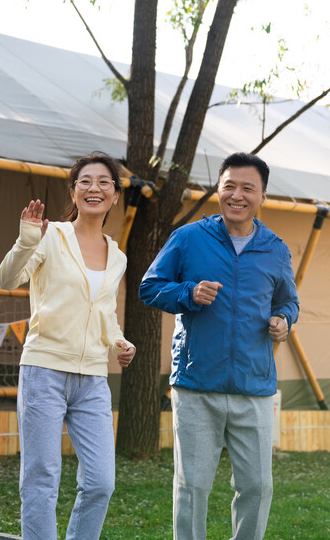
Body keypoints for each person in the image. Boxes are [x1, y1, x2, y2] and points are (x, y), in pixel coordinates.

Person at [139, 152, 299, 540]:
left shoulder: (275, 249)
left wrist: (284, 321)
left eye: (248, 188)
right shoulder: (189, 238)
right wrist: (189, 293)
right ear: (218, 190)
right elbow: (150, 288)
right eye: (230, 186)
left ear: (262, 196)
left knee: (258, 487)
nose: (237, 195)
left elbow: (288, 301)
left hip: (254, 387)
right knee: (192, 487)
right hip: (196, 385)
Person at [0, 151, 136, 540]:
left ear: (114, 195)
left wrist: (119, 342)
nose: (94, 188)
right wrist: (27, 240)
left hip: (92, 379)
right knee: (41, 478)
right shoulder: (51, 236)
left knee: (101, 483)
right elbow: (8, 279)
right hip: (44, 370)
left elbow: (104, 312)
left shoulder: (118, 256)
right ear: (73, 192)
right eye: (85, 181)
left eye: (104, 182)